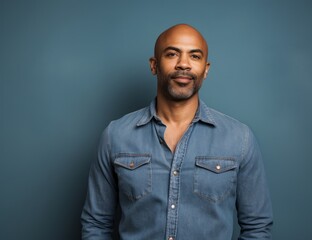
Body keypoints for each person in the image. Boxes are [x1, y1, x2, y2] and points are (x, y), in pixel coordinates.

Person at [81, 24, 273, 240]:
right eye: (172, 54)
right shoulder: (115, 136)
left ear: (206, 69)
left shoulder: (240, 139)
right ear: (154, 65)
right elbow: (96, 224)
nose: (184, 64)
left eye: (195, 56)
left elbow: (257, 228)